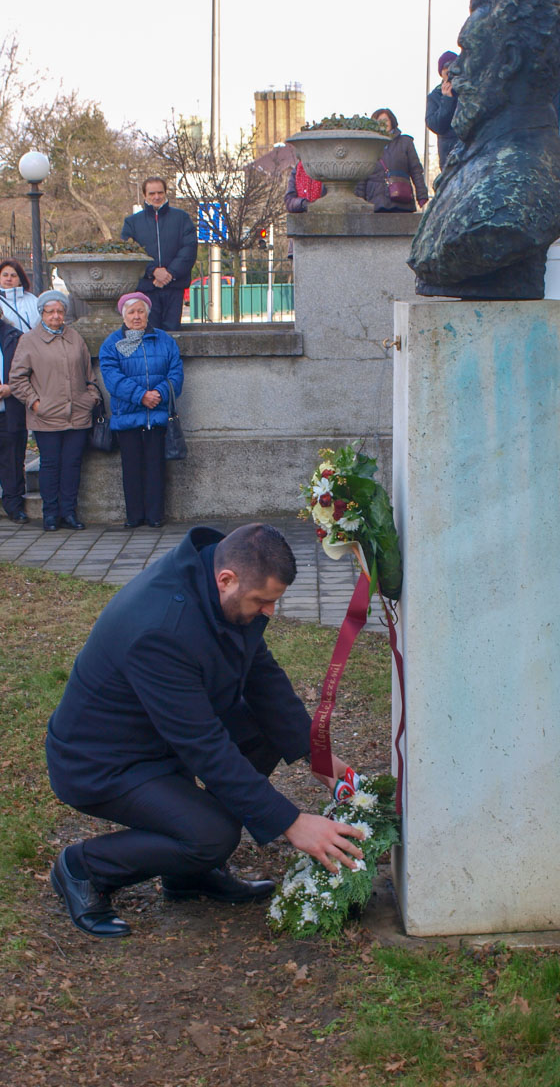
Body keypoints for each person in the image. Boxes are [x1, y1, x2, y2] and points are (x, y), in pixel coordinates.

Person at [45, 522, 364, 938]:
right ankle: (83, 867)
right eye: (262, 601)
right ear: (226, 579)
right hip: (104, 762)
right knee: (211, 835)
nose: (269, 612)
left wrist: (315, 753)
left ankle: (189, 874)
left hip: (160, 738)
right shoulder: (159, 629)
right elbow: (204, 746)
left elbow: (261, 674)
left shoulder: (219, 585)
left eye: (273, 601)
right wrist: (291, 822)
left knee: (265, 729)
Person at [409, 0, 560, 300]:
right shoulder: (480, 160)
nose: (455, 70)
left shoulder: (527, 186)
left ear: (509, 61)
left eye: (468, 51)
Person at [9, 290, 100, 531]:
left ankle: (69, 512)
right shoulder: (29, 341)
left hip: (78, 413)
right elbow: (17, 379)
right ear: (42, 314)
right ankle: (50, 514)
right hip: (46, 415)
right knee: (50, 464)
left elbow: (88, 374)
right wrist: (35, 403)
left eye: (60, 311)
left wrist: (91, 398)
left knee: (72, 464)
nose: (56, 316)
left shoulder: (75, 338)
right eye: (50, 312)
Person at [99, 292, 184, 529]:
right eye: (131, 312)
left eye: (140, 311)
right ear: (123, 316)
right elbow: (112, 378)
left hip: (157, 415)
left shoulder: (164, 340)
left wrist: (159, 393)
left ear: (147, 314)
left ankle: (155, 515)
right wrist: (140, 396)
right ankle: (134, 516)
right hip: (128, 416)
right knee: (132, 468)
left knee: (156, 467)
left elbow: (175, 374)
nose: (136, 316)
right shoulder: (112, 344)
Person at [121, 177, 198, 331]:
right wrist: (153, 271)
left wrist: (170, 273)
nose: (156, 197)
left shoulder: (181, 218)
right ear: (145, 195)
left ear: (165, 193)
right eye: (152, 194)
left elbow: (189, 248)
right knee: (148, 334)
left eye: (160, 193)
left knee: (172, 333)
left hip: (174, 287)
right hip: (146, 288)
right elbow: (129, 252)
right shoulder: (132, 222)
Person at [355, 108, 429, 213]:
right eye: (379, 121)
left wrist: (422, 195)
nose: (383, 124)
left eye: (386, 120)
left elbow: (416, 170)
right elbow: (362, 175)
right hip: (375, 201)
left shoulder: (405, 142)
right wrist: (359, 200)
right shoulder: (368, 145)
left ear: (392, 122)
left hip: (401, 200)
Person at [0, 304, 29, 522]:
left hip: (9, 409)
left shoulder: (14, 337)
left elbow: (28, 371)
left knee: (12, 459)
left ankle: (13, 504)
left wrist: (11, 388)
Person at [425, 50, 459, 169]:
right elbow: (436, 125)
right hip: (449, 154)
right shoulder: (435, 96)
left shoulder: (468, 90)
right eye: (446, 70)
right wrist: (447, 99)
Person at [0, 258, 39, 333]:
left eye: (13, 276)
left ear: (20, 279)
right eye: (5, 275)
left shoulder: (33, 301)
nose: (9, 279)